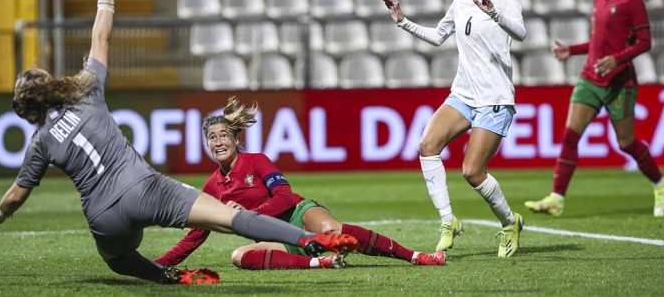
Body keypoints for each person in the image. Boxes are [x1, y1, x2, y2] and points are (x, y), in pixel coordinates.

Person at [0, 0, 358, 285]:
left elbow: (17, 195)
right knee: (230, 220)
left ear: (30, 110)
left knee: (117, 261)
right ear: (51, 84)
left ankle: (163, 277)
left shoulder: (40, 141)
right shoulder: (85, 89)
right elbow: (100, 39)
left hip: (105, 216)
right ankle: (310, 240)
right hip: (146, 189)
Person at [155, 97, 446, 270]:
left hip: (297, 213)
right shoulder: (212, 188)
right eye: (212, 137)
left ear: (235, 139)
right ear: (207, 145)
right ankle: (319, 261)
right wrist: (158, 266)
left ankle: (416, 256)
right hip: (276, 234)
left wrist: (248, 218)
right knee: (238, 256)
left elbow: (284, 196)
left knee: (333, 232)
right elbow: (195, 235)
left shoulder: (257, 160)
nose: (218, 142)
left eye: (223, 135)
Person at [382, 0, 526, 258]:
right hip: (463, 94)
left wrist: (495, 13)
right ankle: (449, 221)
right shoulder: (461, 2)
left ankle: (509, 222)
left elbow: (520, 33)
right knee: (427, 145)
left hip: (495, 99)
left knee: (472, 172)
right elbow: (438, 36)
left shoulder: (507, 2)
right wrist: (403, 21)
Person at [525, 0, 664, 218]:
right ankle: (556, 199)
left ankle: (661, 185)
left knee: (626, 143)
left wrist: (617, 60)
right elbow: (599, 42)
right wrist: (573, 50)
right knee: (570, 136)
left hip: (619, 83)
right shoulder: (598, 1)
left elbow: (645, 43)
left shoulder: (632, 2)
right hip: (590, 79)